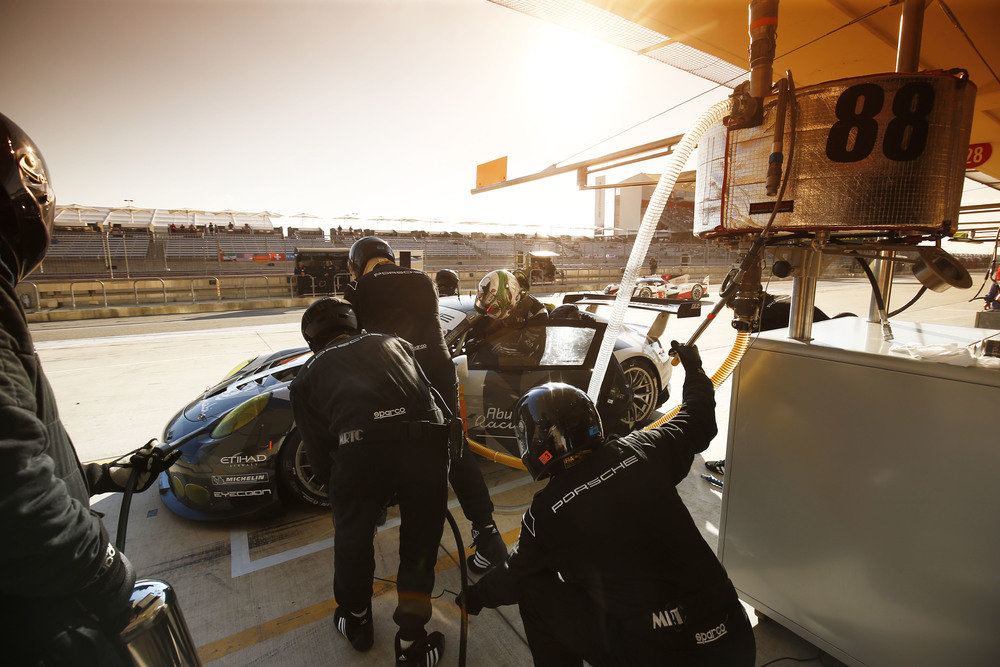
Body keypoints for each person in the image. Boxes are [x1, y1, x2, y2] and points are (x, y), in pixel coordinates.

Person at [0, 112, 179, 665]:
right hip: (46, 619)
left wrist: (103, 476)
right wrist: (107, 572)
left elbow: (27, 452)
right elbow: (16, 492)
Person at [457, 343, 756, 666]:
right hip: (735, 640)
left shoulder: (546, 514)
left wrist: (473, 598)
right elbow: (699, 417)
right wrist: (694, 368)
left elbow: (511, 580)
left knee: (533, 590)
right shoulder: (646, 447)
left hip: (657, 656)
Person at [289, 297, 449, 665]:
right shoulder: (395, 342)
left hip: (359, 454)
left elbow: (319, 456)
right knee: (420, 546)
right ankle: (411, 642)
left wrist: (353, 497)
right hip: (425, 447)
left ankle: (357, 619)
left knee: (352, 540)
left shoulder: (306, 377)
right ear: (355, 325)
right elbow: (427, 396)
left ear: (312, 340)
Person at [343, 237, 508, 575]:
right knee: (456, 449)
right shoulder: (423, 280)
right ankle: (488, 534)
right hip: (438, 369)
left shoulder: (358, 288)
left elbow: (351, 339)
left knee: (379, 445)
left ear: (357, 264)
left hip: (395, 374)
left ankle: (375, 517)